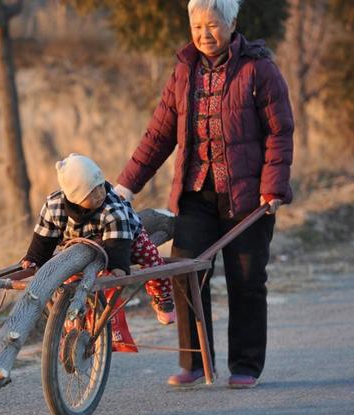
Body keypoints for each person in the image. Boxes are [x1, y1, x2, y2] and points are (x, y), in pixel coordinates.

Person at [114, 0, 294, 389]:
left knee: (246, 281)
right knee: (187, 274)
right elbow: (158, 135)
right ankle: (195, 362)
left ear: (232, 24)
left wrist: (273, 188)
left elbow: (280, 132)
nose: (203, 35)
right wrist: (126, 185)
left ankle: (245, 366)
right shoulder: (184, 71)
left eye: (212, 26)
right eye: (196, 27)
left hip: (249, 199)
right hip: (196, 196)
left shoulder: (258, 70)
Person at [21, 153, 175, 325]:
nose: (100, 194)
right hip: (78, 245)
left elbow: (119, 241)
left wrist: (118, 266)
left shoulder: (112, 207)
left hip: (128, 238)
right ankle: (73, 313)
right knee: (68, 273)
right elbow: (44, 235)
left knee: (151, 256)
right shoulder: (54, 206)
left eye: (101, 186)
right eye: (92, 193)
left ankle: (163, 297)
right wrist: (35, 258)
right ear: (75, 197)